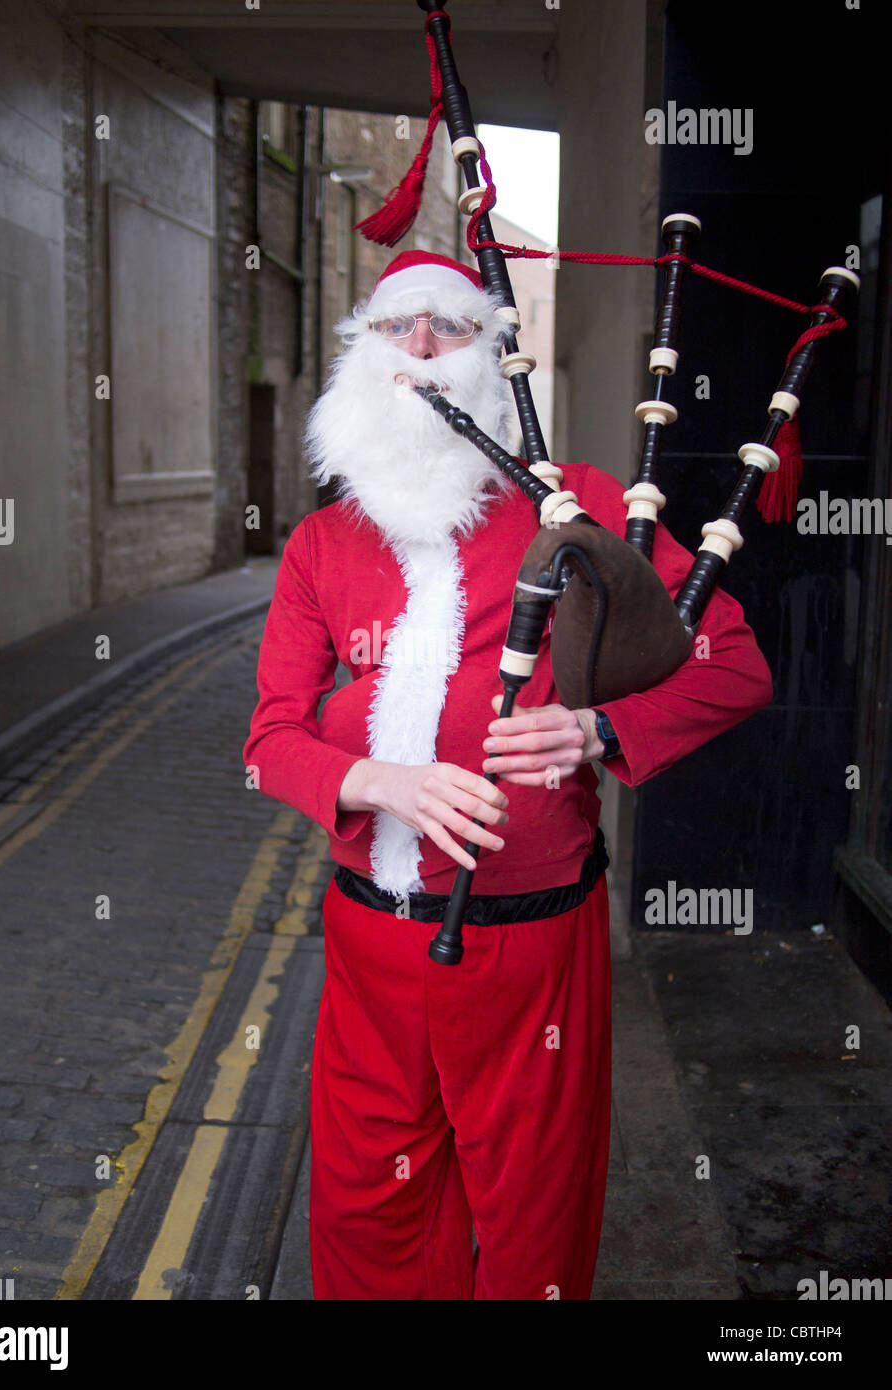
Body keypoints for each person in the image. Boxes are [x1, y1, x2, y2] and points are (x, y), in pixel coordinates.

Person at [243, 248, 773, 1300]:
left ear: (495, 354)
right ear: (364, 355)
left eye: (454, 326)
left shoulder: (576, 503)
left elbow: (734, 666)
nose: (426, 348)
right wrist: (381, 780)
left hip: (530, 945)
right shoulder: (318, 545)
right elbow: (270, 741)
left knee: (532, 1219)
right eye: (400, 328)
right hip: (370, 940)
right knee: (366, 1213)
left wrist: (595, 731)